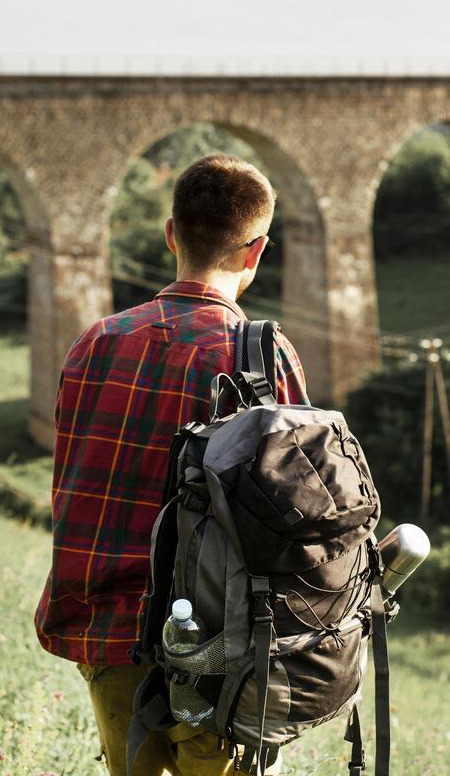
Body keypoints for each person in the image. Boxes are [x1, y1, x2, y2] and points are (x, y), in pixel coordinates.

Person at [34, 154, 311, 776]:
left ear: (170, 234)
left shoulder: (95, 342)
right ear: (256, 251)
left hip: (108, 631)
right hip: (220, 648)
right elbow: (295, 509)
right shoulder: (261, 359)